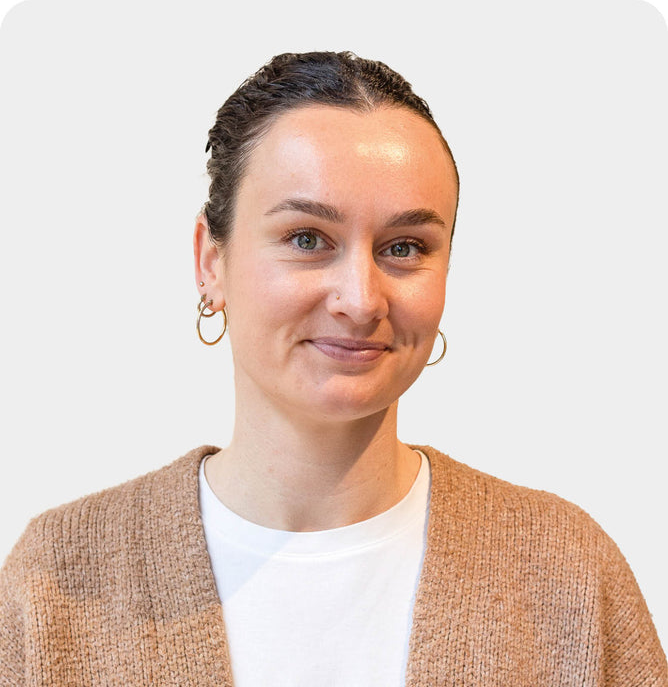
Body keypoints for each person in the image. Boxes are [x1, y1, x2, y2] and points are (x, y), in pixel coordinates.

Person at [0, 51, 665, 686]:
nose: (361, 299)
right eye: (307, 239)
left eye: (404, 248)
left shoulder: (567, 572)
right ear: (211, 262)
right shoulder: (55, 579)